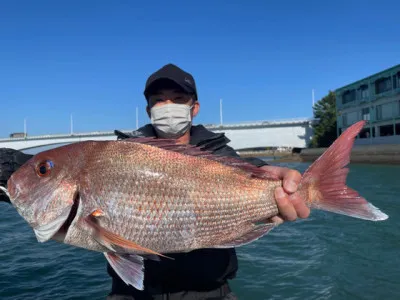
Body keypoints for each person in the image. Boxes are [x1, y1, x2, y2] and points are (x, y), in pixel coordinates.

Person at [0, 63, 310, 300]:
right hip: (130, 295)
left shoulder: (220, 153)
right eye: (159, 100)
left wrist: (282, 184)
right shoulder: (118, 152)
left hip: (209, 292)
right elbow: (21, 178)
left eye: (178, 98)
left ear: (194, 107)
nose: (168, 106)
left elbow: (245, 169)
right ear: (149, 110)